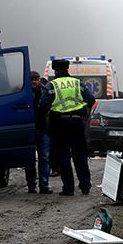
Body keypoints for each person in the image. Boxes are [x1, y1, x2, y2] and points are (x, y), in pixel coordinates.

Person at [41, 59, 96, 195]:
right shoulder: (78, 83)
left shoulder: (52, 85)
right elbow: (91, 100)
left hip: (60, 124)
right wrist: (83, 111)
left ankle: (68, 189)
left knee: (63, 157)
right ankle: (85, 186)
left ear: (55, 71)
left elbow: (43, 105)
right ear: (67, 69)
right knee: (80, 156)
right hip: (78, 124)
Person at [23, 71, 52, 194]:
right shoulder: (23, 93)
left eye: (36, 79)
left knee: (44, 158)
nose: (34, 81)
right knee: (29, 159)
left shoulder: (45, 91)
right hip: (29, 129)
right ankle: (31, 185)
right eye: (31, 79)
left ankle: (44, 185)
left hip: (43, 129)